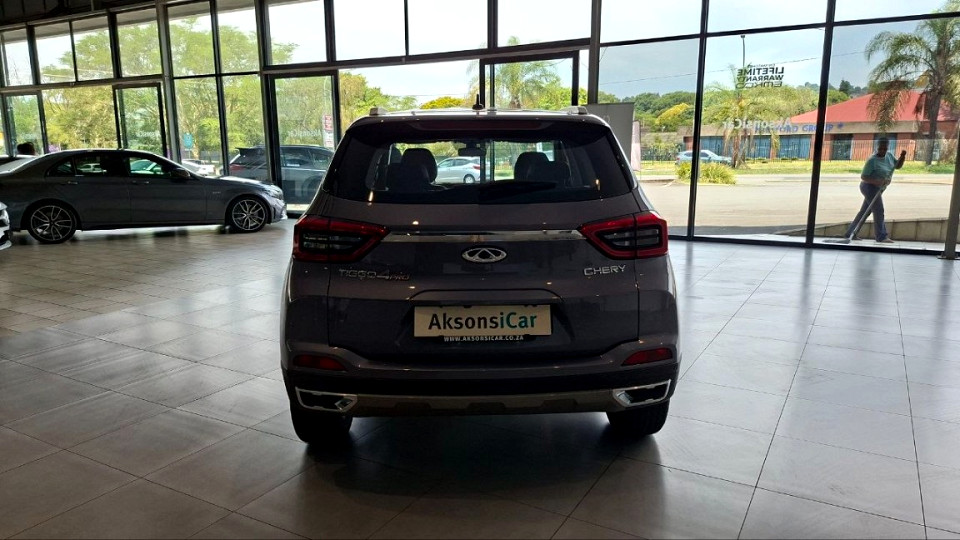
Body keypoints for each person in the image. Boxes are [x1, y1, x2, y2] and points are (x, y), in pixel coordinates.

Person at [845, 137, 906, 243]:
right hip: (869, 187)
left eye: (884, 149)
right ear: (877, 148)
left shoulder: (889, 156)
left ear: (887, 148)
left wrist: (902, 157)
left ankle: (850, 233)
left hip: (879, 188)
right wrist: (877, 182)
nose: (882, 151)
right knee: (878, 210)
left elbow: (897, 166)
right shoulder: (872, 160)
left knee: (865, 211)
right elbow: (864, 177)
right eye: (880, 149)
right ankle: (881, 236)